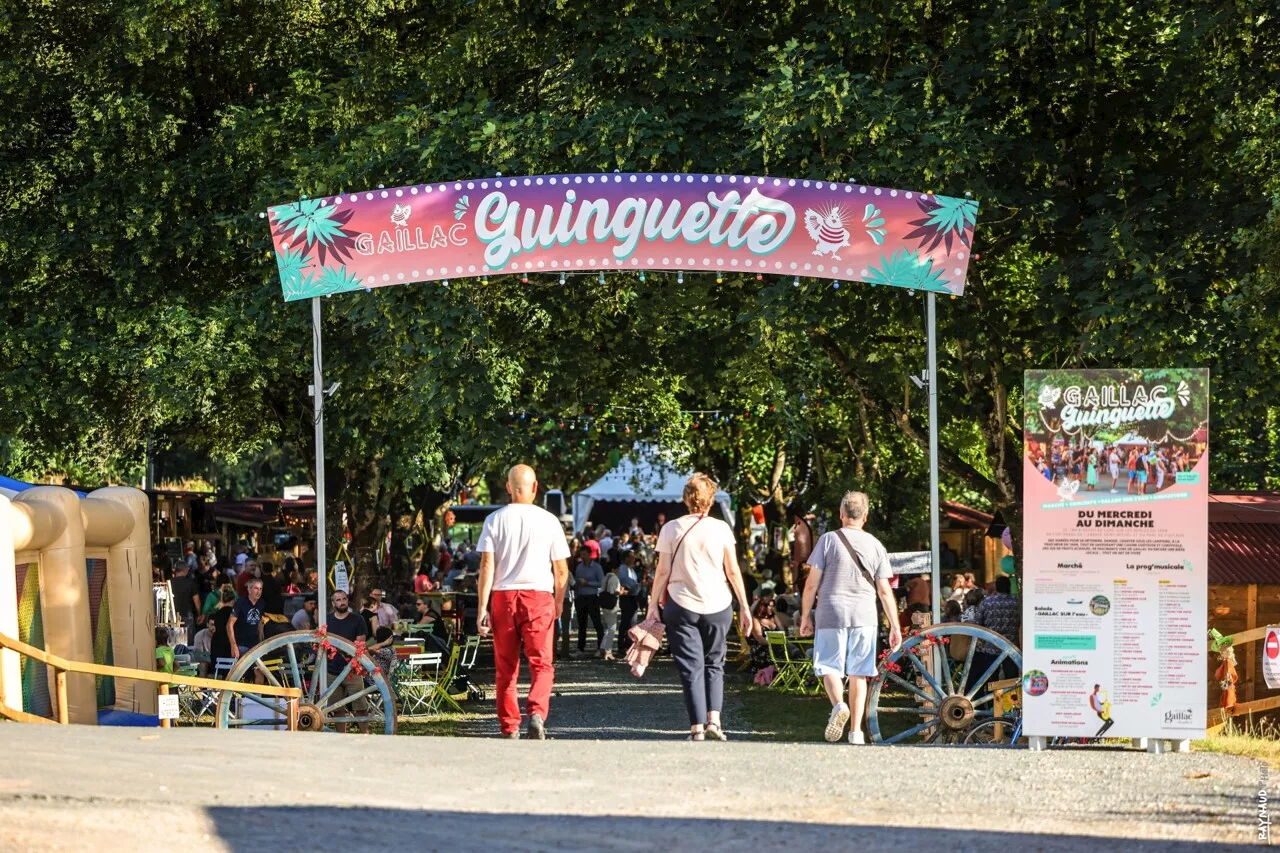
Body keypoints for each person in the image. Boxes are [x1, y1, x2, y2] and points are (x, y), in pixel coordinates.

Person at [646, 473, 752, 741]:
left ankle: (696, 728)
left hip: (681, 603)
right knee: (715, 663)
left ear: (686, 499)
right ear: (711, 500)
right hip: (718, 603)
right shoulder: (721, 529)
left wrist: (652, 605)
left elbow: (662, 572)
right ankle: (714, 721)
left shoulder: (671, 528)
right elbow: (733, 571)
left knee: (690, 666)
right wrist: (745, 606)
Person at [476, 464, 571, 739]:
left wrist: (483, 607)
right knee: (542, 663)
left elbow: (486, 566)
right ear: (535, 487)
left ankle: (509, 726)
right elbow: (561, 569)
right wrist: (560, 602)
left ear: (508, 488)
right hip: (539, 595)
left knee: (505, 667)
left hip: (503, 596)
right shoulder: (549, 520)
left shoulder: (494, 519)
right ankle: (537, 713)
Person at [800, 491, 902, 744]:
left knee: (828, 666)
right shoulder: (876, 545)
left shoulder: (827, 540)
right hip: (865, 614)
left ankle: (838, 707)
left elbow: (811, 584)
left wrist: (805, 616)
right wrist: (895, 626)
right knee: (859, 672)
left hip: (830, 611)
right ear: (865, 517)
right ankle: (856, 732)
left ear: (841, 514)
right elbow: (885, 590)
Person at [326, 590, 369, 733]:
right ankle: (341, 736)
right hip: (332, 669)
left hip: (352, 670)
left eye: (344, 599)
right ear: (333, 603)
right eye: (338, 600)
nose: (342, 602)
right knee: (337, 708)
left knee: (360, 706)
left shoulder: (357, 620)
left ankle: (365, 735)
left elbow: (360, 644)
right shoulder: (326, 620)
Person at [968, 576, 1020, 692]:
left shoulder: (987, 602)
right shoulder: (1016, 602)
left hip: (991, 646)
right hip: (1011, 647)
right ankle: (1013, 704)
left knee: (991, 679)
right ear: (1009, 587)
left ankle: (992, 704)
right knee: (1012, 679)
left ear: (997, 587)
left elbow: (978, 624)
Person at [572, 545, 605, 654]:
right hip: (581, 597)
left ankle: (601, 647)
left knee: (597, 623)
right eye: (581, 554)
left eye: (585, 554)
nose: (583, 556)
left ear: (590, 554)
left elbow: (601, 583)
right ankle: (580, 648)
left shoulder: (596, 567)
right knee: (582, 625)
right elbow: (576, 581)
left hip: (592, 598)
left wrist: (588, 583)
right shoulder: (579, 567)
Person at [227, 579, 267, 659]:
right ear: (249, 590)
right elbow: (229, 624)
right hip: (241, 645)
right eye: (256, 588)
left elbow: (259, 622)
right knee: (241, 671)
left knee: (259, 669)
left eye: (260, 589)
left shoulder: (262, 603)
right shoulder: (240, 603)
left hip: (255, 645)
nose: (258, 591)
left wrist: (261, 642)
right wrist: (233, 645)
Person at [169, 558, 202, 646]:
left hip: (172, 615)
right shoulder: (190, 582)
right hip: (187, 614)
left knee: (174, 641)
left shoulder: (169, 583)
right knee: (189, 640)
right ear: (185, 570)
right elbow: (196, 600)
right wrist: (199, 614)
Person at [616, 550, 641, 654]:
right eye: (631, 557)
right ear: (626, 558)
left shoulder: (631, 569)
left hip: (633, 596)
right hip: (627, 596)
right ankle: (622, 645)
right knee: (626, 621)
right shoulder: (623, 568)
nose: (633, 558)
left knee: (632, 621)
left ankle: (628, 643)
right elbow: (626, 581)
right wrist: (636, 585)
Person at [209, 586, 236, 669]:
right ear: (233, 600)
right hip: (228, 642)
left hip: (217, 642)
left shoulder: (217, 613)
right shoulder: (234, 614)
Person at [598, 564, 621, 661]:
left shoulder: (605, 577)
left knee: (608, 627)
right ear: (614, 568)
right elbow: (614, 592)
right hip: (612, 604)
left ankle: (603, 647)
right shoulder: (615, 578)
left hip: (604, 603)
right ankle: (608, 650)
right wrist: (621, 592)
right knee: (612, 628)